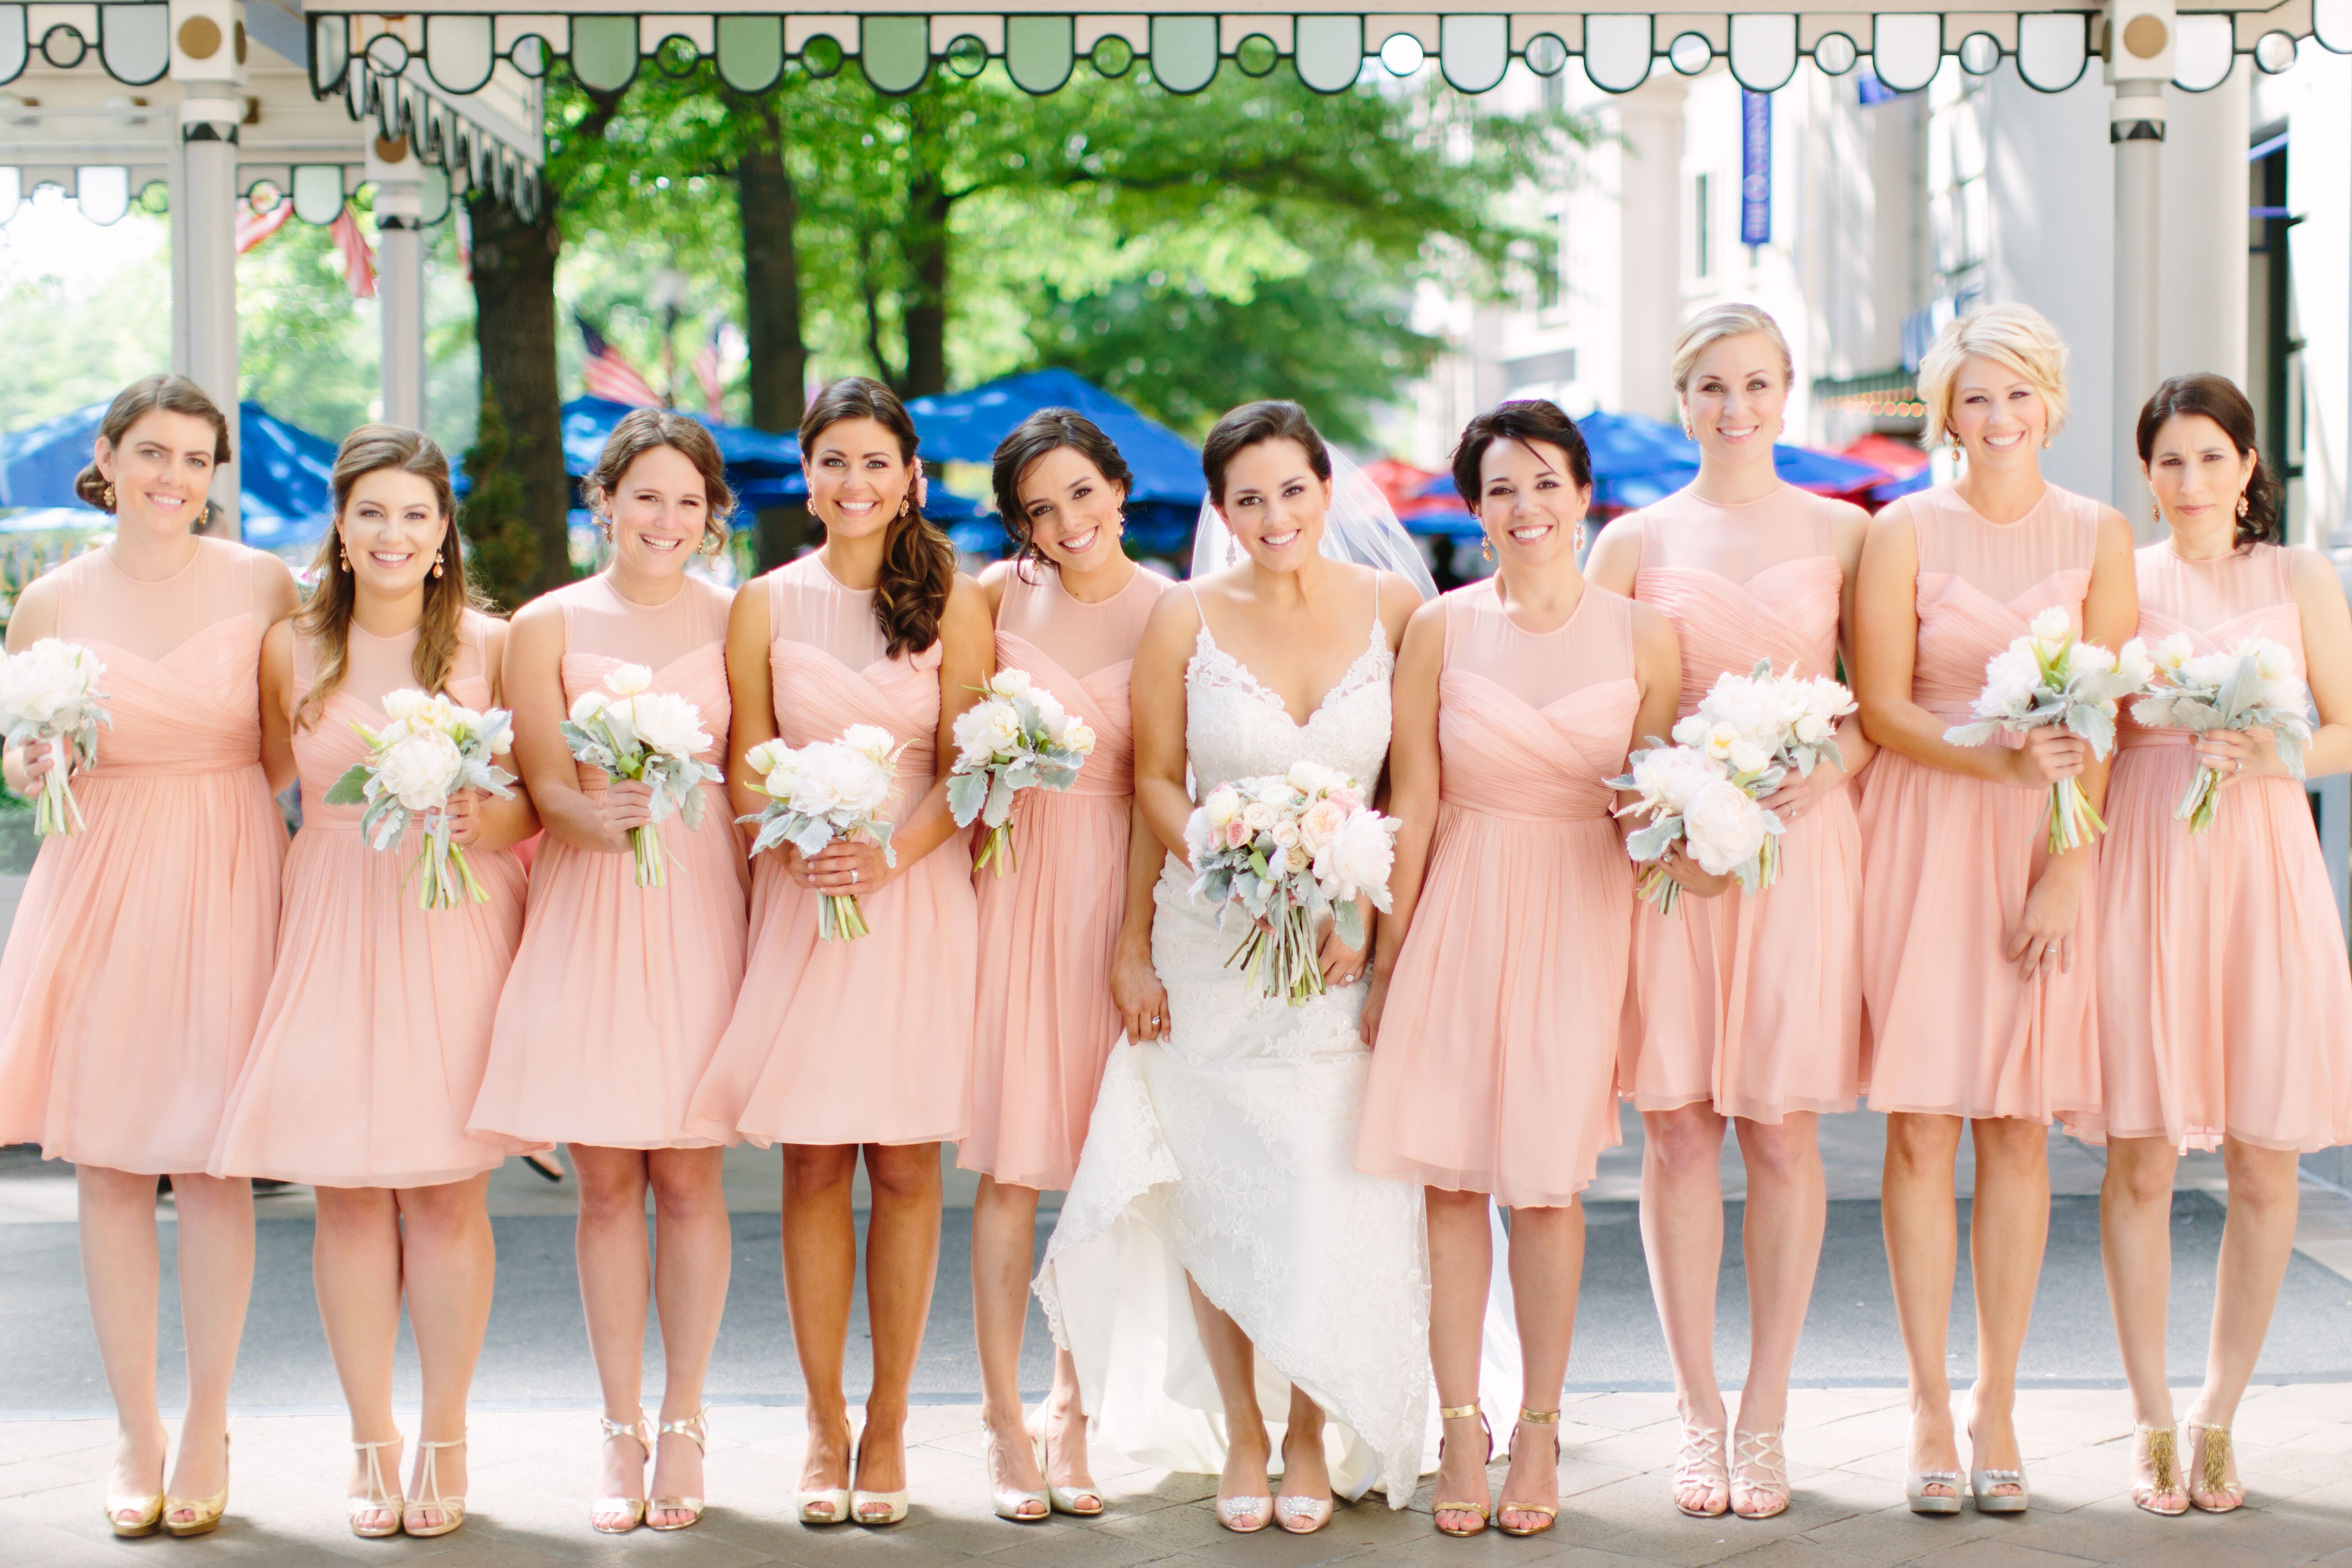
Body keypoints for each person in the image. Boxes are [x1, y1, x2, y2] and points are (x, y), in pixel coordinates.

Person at [1037, 400, 1433, 1535]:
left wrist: (1364, 903)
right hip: (1208, 935)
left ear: (1327, 489)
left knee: (1318, 1187)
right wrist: (1213, 862)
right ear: (1220, 511)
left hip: (1337, 944)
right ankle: (1244, 1431)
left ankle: (1309, 1424)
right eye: (1246, 498)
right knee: (1216, 1187)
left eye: (1291, 491)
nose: (1272, 516)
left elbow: (1412, 784)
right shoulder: (1183, 617)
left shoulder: (1396, 610)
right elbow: (1152, 779)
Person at [209, 426, 539, 1540]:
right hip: (335, 917)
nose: (394, 534)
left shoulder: (492, 647)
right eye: (372, 514)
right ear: (341, 532)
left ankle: (444, 1435)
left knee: (446, 1191)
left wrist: (475, 816)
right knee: (348, 1195)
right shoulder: (288, 650)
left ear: (444, 533)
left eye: (416, 514)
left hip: (452, 917)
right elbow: (258, 782)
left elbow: (528, 805)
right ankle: (369, 1439)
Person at [1359, 400, 1681, 1538]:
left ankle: (1539, 1425)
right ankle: (1461, 1420)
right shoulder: (1439, 630)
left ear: (1582, 493)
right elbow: (1415, 799)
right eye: (1500, 488)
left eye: (1543, 482)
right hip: (1459, 899)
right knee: (1448, 1182)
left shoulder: (1642, 637)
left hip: (1580, 910)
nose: (1525, 506)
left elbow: (1656, 799)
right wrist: (1388, 956)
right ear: (1474, 509)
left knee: (1545, 1187)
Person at [683, 377, 990, 1527]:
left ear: (909, 474)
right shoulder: (760, 602)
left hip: (913, 898)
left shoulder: (954, 599)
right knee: (812, 1164)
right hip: (806, 894)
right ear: (805, 477)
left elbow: (972, 763)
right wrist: (802, 829)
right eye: (832, 462)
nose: (853, 484)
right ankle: (821, 1422)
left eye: (875, 461)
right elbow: (750, 755)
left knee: (908, 1167)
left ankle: (894, 1418)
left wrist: (891, 856)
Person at [1583, 304, 1873, 1519]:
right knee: (1681, 1132)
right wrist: (1675, 802)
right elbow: (1603, 713)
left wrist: (1833, 762)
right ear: (1681, 396)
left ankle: (1768, 1414)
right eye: (1710, 384)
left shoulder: (1848, 534)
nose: (1735, 404)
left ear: (1789, 391)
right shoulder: (1633, 541)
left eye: (1755, 382)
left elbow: (1881, 705)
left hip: (1804, 856)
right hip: (1683, 867)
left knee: (1784, 1133)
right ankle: (1695, 1413)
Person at [0, 376, 296, 1537]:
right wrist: (31, 770)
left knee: (219, 1163)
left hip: (229, 861)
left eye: (197, 457)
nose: (176, 475)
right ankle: (134, 1426)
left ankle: (211, 1418)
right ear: (109, 456)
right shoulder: (50, 601)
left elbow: (286, 748)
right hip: (102, 877)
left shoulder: (264, 583)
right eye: (154, 452)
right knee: (115, 1164)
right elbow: (31, 755)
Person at [1853, 303, 2137, 1514]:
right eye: (1978, 397)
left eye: (2020, 394)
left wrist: (2070, 864)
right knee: (1920, 1126)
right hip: (1926, 832)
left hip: (2049, 838)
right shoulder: (1904, 529)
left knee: (2018, 1127)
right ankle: (1924, 1401)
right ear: (1945, 411)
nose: (2000, 417)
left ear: (2052, 405)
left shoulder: (2101, 531)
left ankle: (1999, 1401)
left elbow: (2106, 716)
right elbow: (1881, 705)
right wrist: (1996, 761)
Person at [468, 410, 748, 1532]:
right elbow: (539, 782)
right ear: (606, 503)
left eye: (688, 501)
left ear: (711, 515)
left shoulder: (741, 619)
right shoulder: (542, 625)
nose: (666, 520)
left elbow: (761, 757)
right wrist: (599, 810)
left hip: (699, 905)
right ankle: (617, 1426)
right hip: (589, 902)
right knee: (606, 1183)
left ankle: (685, 1422)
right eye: (646, 497)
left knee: (686, 1177)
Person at [2095, 374, 2352, 1514]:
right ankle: (2147, 1415)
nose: (2189, 482)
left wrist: (2270, 755)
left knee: (2263, 1155)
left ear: (2247, 465)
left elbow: (2346, 728)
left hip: (2261, 865)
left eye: (2210, 457)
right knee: (2140, 1150)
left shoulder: (2294, 576)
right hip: (2145, 864)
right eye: (2168, 461)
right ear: (2144, 474)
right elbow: (2086, 726)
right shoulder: (2119, 576)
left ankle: (2215, 1413)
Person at [963, 410, 1171, 1521]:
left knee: (1104, 1175)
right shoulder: (994, 599)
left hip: (1112, 895)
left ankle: (1073, 1407)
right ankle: (1002, 1416)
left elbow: (1160, 786)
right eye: (1040, 508)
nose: (1066, 521)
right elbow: (949, 733)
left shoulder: (1169, 611)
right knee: (1008, 1168)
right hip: (1007, 884)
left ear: (1117, 487)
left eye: (1080, 493)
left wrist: (1137, 942)